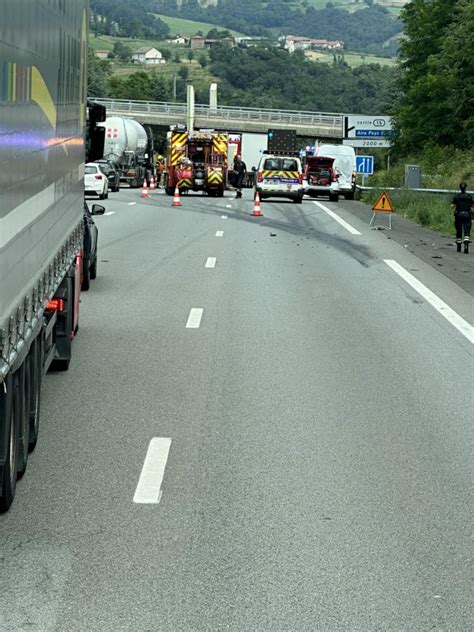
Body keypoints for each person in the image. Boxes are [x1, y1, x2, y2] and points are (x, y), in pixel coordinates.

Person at [451, 182, 472, 253]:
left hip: (459, 215)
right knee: (467, 229)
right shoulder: (469, 196)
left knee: (459, 229)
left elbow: (452, 206)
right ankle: (466, 242)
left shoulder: (457, 196)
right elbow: (472, 205)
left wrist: (455, 205)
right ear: (466, 187)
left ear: (460, 187)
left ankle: (459, 246)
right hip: (467, 214)